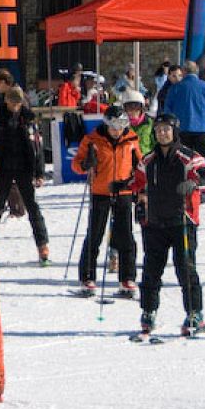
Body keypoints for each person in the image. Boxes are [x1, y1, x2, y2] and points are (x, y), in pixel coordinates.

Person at [128, 114, 205, 338]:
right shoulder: (148, 161)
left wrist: (193, 183)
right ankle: (148, 312)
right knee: (151, 270)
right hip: (155, 222)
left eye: (166, 129)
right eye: (158, 130)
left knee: (185, 268)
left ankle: (195, 313)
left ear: (174, 131)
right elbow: (137, 184)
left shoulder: (190, 158)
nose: (162, 133)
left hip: (182, 221)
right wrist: (122, 188)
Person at [71, 104, 141, 296]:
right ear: (106, 124)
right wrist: (86, 164)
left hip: (123, 192)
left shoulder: (131, 139)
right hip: (100, 191)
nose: (117, 131)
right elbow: (76, 164)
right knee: (95, 235)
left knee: (125, 237)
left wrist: (138, 186)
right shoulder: (92, 139)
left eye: (121, 126)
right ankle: (87, 277)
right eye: (113, 126)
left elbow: (139, 165)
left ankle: (127, 278)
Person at [0, 87, 50, 265]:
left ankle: (42, 245)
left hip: (24, 169)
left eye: (18, 102)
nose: (15, 105)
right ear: (6, 101)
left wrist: (39, 172)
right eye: (12, 102)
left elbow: (37, 148)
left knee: (32, 207)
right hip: (2, 169)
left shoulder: (29, 120)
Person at [161, 59, 205, 160]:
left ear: (183, 71)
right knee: (202, 159)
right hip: (202, 128)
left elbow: (167, 109)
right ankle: (202, 175)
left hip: (182, 129)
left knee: (183, 158)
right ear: (196, 70)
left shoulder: (175, 88)